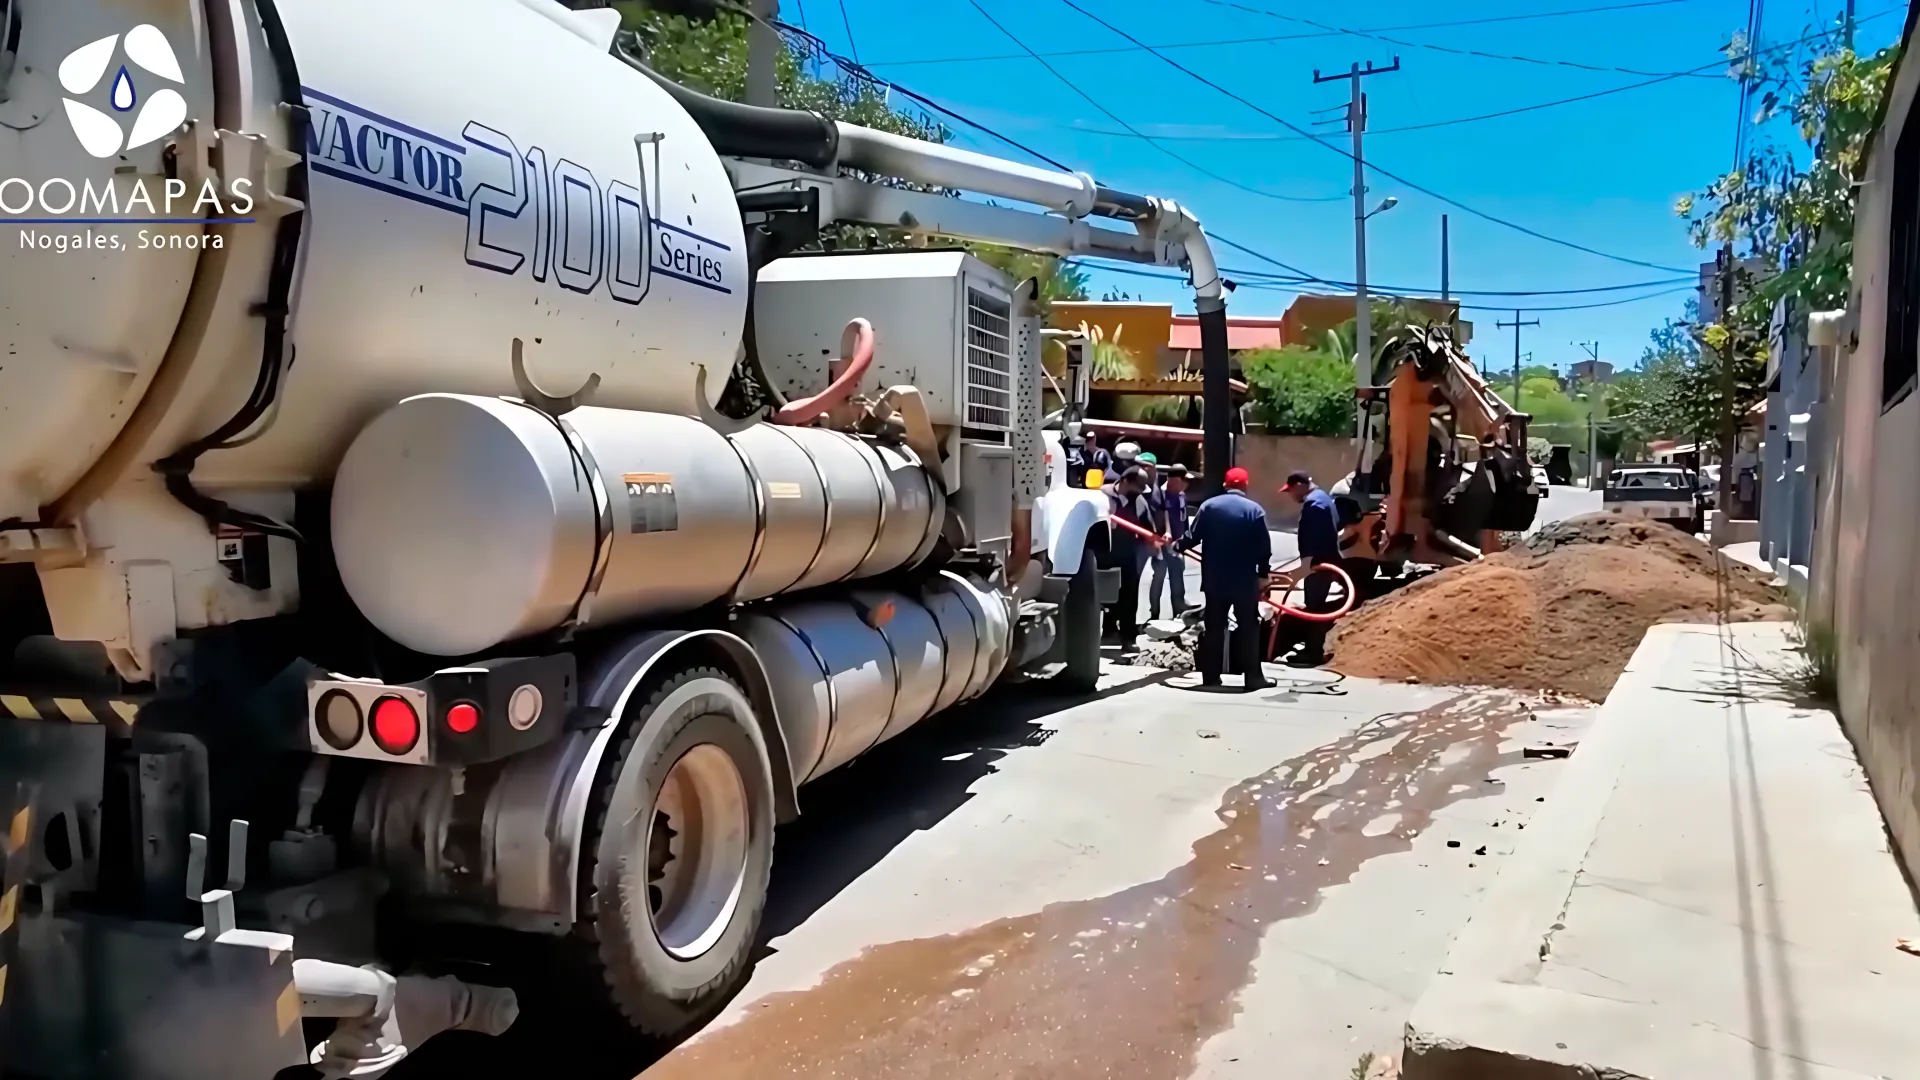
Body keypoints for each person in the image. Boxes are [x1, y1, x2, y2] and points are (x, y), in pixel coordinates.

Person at [1179, 466, 1271, 690]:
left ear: (1225, 485)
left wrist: (1176, 545)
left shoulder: (1209, 506)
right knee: (1248, 628)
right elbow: (1263, 547)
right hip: (1244, 581)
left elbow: (1192, 537)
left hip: (1215, 580)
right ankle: (1253, 678)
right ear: (1245, 485)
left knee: (1214, 628)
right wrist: (1263, 574)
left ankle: (1211, 677)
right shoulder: (1254, 510)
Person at [1279, 470, 1340, 666]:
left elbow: (1312, 539)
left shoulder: (1313, 505)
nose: (1291, 496)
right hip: (1327, 561)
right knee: (1317, 605)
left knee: (1314, 608)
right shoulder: (1324, 498)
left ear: (1299, 486)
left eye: (1291, 491)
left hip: (1318, 564)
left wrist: (1306, 566)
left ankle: (1313, 652)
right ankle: (1312, 647)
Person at [1100, 466, 1155, 646]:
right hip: (1105, 556)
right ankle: (1107, 631)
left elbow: (1148, 528)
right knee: (1107, 596)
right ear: (1125, 481)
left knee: (1130, 596)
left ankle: (1128, 635)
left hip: (1129, 556)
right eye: (1136, 488)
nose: (1138, 493)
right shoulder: (1102, 496)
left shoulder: (1139, 501)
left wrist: (1154, 541)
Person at [1148, 465, 1191, 620]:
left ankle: (1178, 611)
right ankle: (1154, 613)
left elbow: (1184, 519)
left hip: (1178, 544)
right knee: (1159, 576)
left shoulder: (1181, 495)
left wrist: (1186, 540)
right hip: (1162, 544)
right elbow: (1156, 519)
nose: (1186, 484)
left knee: (1177, 576)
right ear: (1173, 479)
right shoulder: (1160, 495)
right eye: (1183, 480)